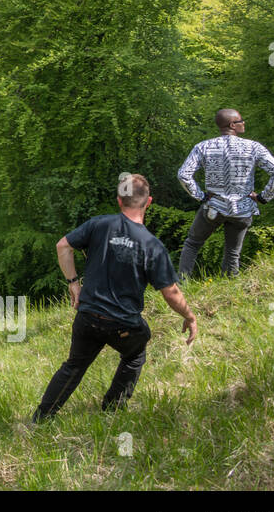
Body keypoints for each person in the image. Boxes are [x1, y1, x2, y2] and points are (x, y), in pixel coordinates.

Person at [34, 174, 198, 421]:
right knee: (135, 355)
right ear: (149, 202)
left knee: (74, 366)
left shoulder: (98, 225)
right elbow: (170, 292)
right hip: (123, 324)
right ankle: (111, 410)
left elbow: (63, 246)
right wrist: (190, 316)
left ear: (119, 201)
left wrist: (73, 284)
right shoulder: (152, 245)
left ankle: (41, 419)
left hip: (88, 316)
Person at [177, 108, 274, 278]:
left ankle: (182, 284)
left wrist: (201, 196)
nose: (244, 123)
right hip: (242, 210)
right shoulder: (254, 147)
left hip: (214, 207)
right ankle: (229, 289)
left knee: (192, 244)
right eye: (241, 120)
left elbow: (183, 175)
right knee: (232, 252)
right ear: (232, 125)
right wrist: (263, 197)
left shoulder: (203, 146)